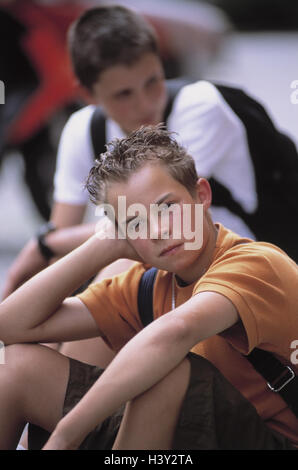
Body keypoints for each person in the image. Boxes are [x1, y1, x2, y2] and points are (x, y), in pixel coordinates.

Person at [2, 5, 298, 366]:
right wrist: (40, 255)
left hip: (240, 267)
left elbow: (156, 224)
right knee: (27, 348)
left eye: (153, 82)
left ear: (161, 65)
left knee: (116, 270)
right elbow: (65, 247)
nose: (145, 104)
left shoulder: (201, 106)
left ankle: (80, 406)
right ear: (87, 94)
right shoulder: (83, 128)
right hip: (167, 264)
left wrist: (43, 244)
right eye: (123, 94)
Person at [0, 125, 297, 450]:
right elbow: (10, 328)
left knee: (166, 369)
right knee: (14, 365)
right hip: (184, 436)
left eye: (167, 207)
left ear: (201, 195)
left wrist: (64, 437)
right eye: (136, 222)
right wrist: (102, 246)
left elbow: (175, 333)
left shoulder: (254, 264)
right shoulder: (148, 287)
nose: (157, 230)